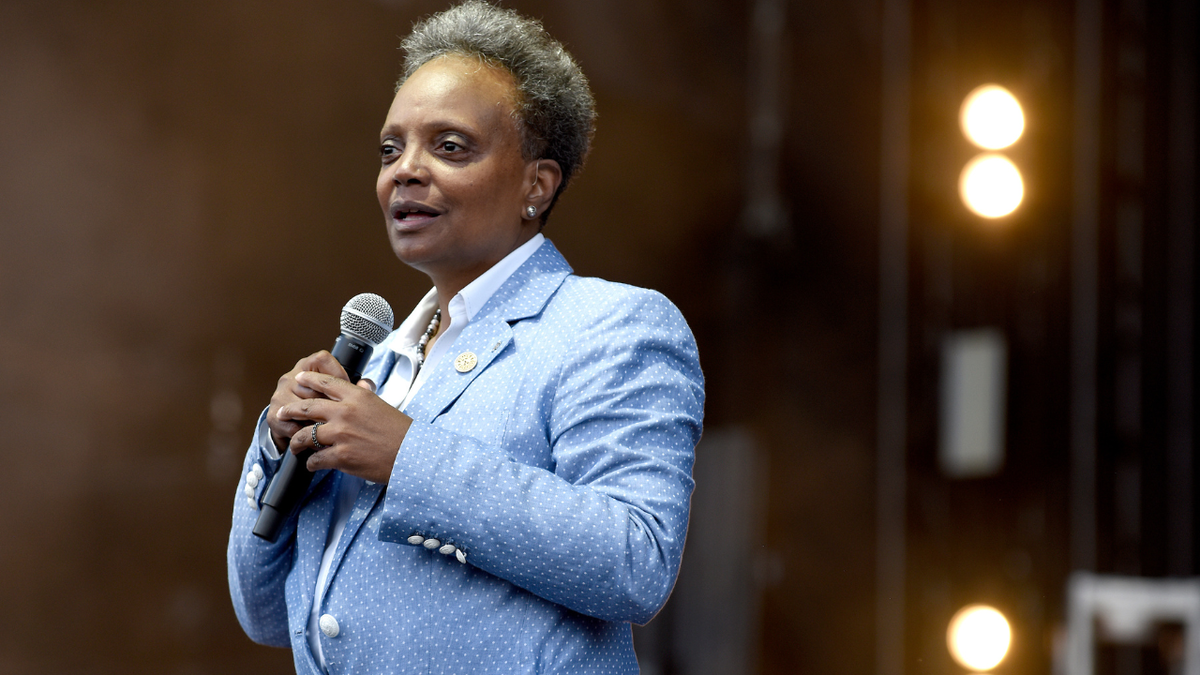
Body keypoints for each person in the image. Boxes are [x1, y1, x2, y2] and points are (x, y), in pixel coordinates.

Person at [226, 2, 704, 673]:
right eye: (391, 148)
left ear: (536, 184)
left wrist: (406, 455)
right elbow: (269, 614)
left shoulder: (612, 326)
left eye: (449, 146)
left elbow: (634, 560)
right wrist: (275, 446)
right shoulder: (379, 366)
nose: (405, 170)